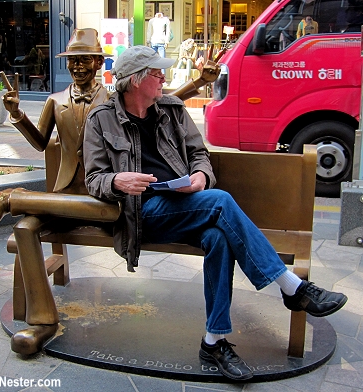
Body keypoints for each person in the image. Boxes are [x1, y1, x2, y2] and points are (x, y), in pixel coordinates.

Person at [82, 45, 348, 381]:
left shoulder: (172, 110)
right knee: (220, 201)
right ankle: (292, 288)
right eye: (156, 72)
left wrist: (200, 177)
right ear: (136, 81)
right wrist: (117, 180)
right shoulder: (101, 119)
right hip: (143, 215)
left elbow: (199, 155)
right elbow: (94, 179)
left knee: (220, 238)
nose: (164, 76)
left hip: (185, 207)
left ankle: (214, 341)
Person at [0, 28, 113, 355]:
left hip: (102, 199)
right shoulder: (55, 101)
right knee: (24, 228)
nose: (78, 66)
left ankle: (12, 198)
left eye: (84, 60)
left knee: (24, 216)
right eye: (72, 61)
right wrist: (17, 114)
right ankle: (43, 321)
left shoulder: (112, 100)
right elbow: (41, 142)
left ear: (98, 61)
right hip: (63, 197)